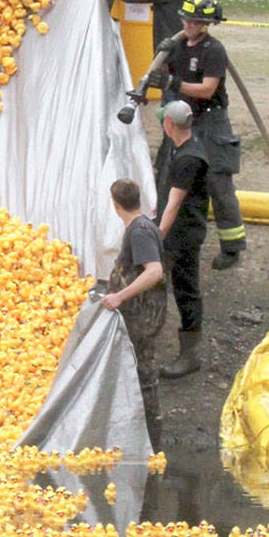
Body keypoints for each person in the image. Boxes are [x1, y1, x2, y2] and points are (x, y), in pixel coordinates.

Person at [160, 0, 246, 269]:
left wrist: (174, 84)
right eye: (186, 20)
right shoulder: (177, 46)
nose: (189, 25)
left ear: (207, 24)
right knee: (171, 176)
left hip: (211, 121)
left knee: (218, 182)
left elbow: (208, 89)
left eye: (195, 22)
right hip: (184, 119)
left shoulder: (214, 50)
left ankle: (232, 247)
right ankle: (167, 240)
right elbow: (163, 73)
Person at [101, 177, 167, 445]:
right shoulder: (142, 226)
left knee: (144, 371)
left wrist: (119, 296)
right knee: (136, 368)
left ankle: (151, 437)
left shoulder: (140, 232)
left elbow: (154, 271)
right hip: (139, 313)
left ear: (115, 205)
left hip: (142, 316)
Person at [155, 100, 211, 379]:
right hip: (179, 229)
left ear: (170, 124)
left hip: (184, 234)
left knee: (185, 289)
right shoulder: (180, 147)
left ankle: (189, 355)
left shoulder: (189, 158)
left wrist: (157, 236)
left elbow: (175, 203)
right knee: (175, 285)